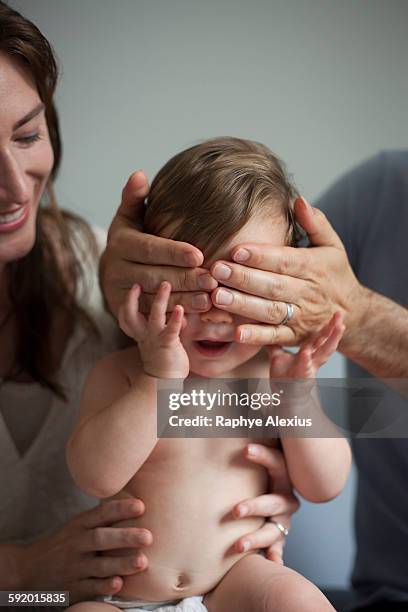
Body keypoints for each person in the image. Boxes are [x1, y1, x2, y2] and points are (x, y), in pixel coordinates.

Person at [0, 2, 298, 600]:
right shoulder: (134, 367)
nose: (12, 185)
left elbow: (351, 438)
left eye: (27, 133)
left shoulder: (111, 273)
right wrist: (23, 576)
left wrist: (286, 465)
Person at [101, 150, 408, 612]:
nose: (217, 312)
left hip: (235, 582)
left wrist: (299, 401)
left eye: (244, 287)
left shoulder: (274, 377)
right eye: (191, 288)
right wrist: (155, 381)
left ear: (284, 283)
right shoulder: (123, 372)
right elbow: (96, 475)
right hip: (126, 593)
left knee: (302, 602)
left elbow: (325, 484)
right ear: (148, 274)